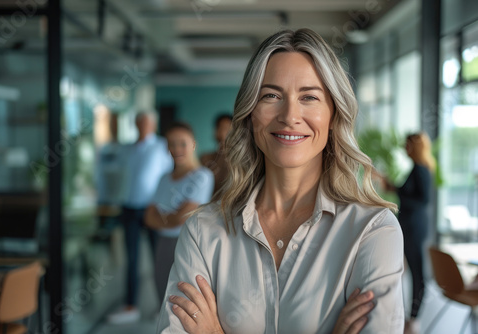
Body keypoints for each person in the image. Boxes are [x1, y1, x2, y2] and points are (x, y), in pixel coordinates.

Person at [156, 29, 404, 333]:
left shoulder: (373, 231)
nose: (290, 115)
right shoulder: (202, 232)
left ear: (333, 114)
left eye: (309, 97)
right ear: (250, 113)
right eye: (271, 96)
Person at [107, 110, 173, 324]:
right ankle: (130, 305)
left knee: (158, 259)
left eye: (146, 123)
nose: (142, 126)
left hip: (153, 209)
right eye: (139, 123)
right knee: (132, 259)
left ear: (153, 125)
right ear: (135, 124)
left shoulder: (162, 147)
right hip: (129, 208)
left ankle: (162, 305)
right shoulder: (127, 149)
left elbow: (168, 177)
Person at [145, 122, 214, 305]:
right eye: (172, 143)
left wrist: (164, 217)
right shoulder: (163, 178)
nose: (177, 149)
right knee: (162, 294)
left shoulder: (202, 176)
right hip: (162, 244)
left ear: (193, 144)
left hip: (187, 244)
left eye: (182, 143)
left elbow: (180, 218)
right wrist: (170, 218)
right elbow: (149, 217)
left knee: (183, 300)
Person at [383, 132, 434, 334]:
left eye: (407, 145)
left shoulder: (421, 170)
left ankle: (414, 318)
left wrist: (397, 195)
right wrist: (394, 189)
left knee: (417, 272)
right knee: (406, 270)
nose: (405, 148)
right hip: (409, 225)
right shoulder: (415, 169)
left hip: (414, 226)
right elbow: (409, 194)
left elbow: (423, 201)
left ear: (415, 147)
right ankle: (408, 316)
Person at [95, 112, 123, 228]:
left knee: (117, 230)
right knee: (104, 228)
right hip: (104, 194)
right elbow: (99, 170)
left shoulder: (123, 149)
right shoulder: (104, 148)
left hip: (119, 197)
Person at [200, 114, 232, 196]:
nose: (223, 133)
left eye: (227, 129)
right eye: (220, 128)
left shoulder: (239, 160)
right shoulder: (205, 158)